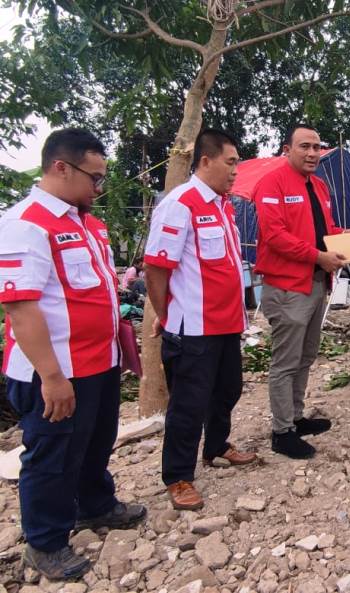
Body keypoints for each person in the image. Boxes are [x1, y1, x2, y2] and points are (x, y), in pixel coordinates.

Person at [0, 129, 146, 580]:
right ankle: (44, 542)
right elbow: (21, 308)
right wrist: (52, 376)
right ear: (60, 167)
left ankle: (95, 504)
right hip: (56, 370)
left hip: (97, 362)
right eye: (94, 178)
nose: (99, 189)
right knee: (53, 455)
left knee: (95, 442)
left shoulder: (85, 221)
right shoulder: (26, 222)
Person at [145, 129, 256, 511]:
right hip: (192, 327)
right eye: (231, 162)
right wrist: (165, 315)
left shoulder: (223, 204)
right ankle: (178, 476)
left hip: (227, 323)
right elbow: (156, 268)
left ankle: (217, 446)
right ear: (205, 161)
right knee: (188, 405)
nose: (236, 171)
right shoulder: (180, 204)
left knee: (227, 390)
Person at [253, 124, 350, 459]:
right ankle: (281, 431)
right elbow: (275, 235)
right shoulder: (270, 184)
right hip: (288, 286)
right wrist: (318, 256)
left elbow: (325, 231)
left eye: (318, 147)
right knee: (286, 361)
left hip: (317, 283)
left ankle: (296, 417)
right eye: (305, 146)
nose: (313, 153)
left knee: (306, 355)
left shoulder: (318, 185)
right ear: (286, 150)